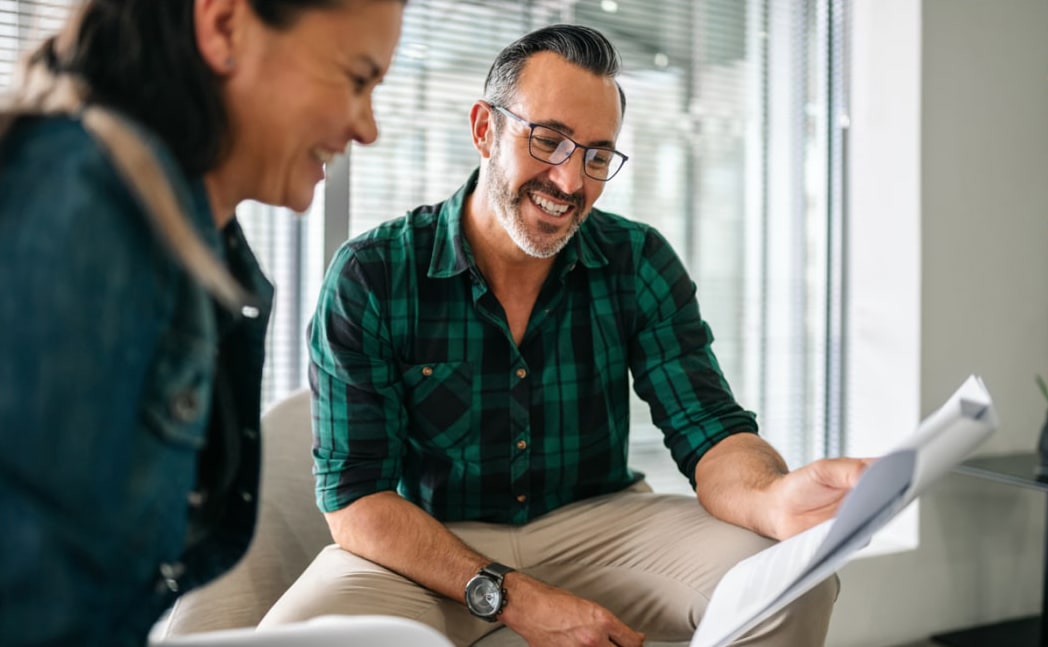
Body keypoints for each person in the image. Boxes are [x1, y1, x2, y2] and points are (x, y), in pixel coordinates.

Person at [261, 23, 868, 647]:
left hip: (601, 523)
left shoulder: (638, 259)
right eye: (549, 141)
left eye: (598, 155)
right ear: (483, 130)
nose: (572, 183)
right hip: (431, 541)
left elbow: (709, 428)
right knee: (305, 638)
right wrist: (514, 596)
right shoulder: (374, 273)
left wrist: (774, 497)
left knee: (795, 579)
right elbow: (357, 498)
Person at [0, 0, 404, 645]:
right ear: (224, 27)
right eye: (357, 79)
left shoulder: (187, 236)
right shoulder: (78, 215)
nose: (368, 127)